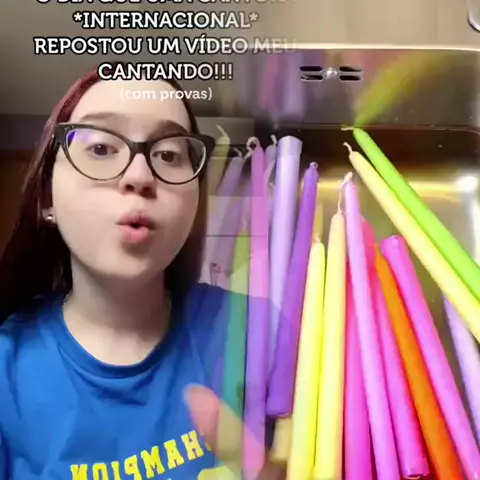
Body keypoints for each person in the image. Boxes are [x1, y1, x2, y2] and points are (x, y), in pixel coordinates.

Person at [0, 66, 284, 480]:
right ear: (47, 196)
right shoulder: (7, 373)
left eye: (168, 155)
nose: (139, 177)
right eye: (100, 148)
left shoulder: (263, 332)